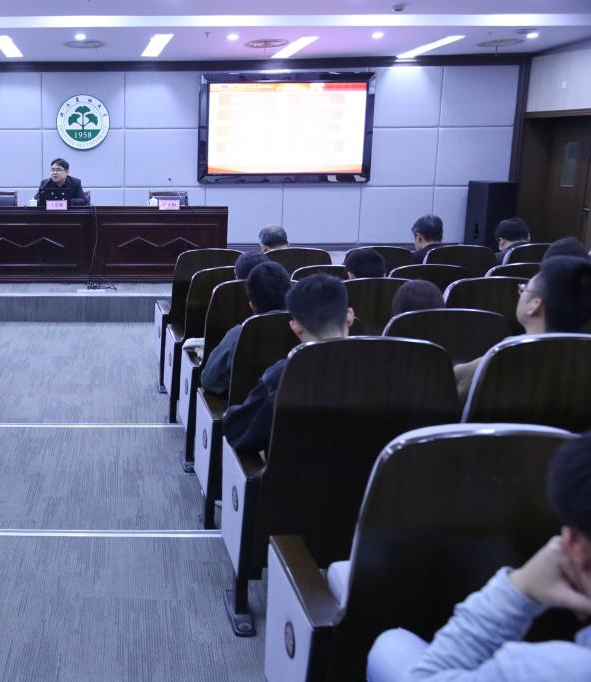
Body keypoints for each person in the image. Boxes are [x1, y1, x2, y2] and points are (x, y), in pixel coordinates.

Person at [367, 433, 591, 682]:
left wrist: (519, 588)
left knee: (390, 645)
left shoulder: (551, 669)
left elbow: (425, 677)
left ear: (573, 544)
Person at [223, 274, 354, 456]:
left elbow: (238, 432)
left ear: (295, 326)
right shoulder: (385, 370)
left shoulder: (282, 376)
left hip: (296, 474)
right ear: (349, 316)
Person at [454, 255, 591, 400]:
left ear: (535, 304)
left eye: (524, 288)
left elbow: (450, 387)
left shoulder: (502, 356)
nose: (521, 292)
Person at [201, 262, 291, 397]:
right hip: (290, 406)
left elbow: (208, 380)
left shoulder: (239, 333)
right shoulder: (304, 330)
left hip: (243, 405)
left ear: (252, 306)